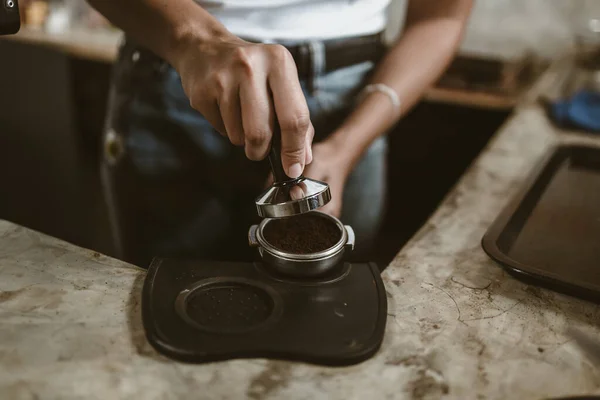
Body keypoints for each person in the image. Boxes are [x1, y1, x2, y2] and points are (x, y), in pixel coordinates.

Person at [88, 0, 473, 267]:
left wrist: (346, 145)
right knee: (168, 303)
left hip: (354, 98)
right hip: (179, 71)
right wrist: (196, 41)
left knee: (328, 318)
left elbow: (440, 18)